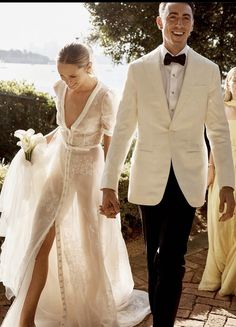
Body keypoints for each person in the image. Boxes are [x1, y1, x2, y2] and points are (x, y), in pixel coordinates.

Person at [100, 3, 235, 327]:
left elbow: (218, 130)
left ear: (191, 25)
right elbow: (123, 129)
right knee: (152, 258)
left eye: (185, 17)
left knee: (171, 259)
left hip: (189, 177)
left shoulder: (208, 69)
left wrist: (228, 183)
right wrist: (107, 182)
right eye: (172, 16)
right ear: (160, 21)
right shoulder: (137, 69)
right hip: (149, 174)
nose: (179, 23)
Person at [0, 42, 150, 327]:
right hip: (58, 170)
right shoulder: (60, 89)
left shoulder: (105, 96)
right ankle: (26, 320)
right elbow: (65, 130)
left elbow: (111, 147)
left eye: (73, 76)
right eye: (63, 75)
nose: (68, 82)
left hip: (88, 176)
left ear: (89, 66)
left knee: (87, 244)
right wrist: (37, 143)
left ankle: (90, 308)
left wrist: (109, 189)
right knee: (39, 241)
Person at [199, 67, 236, 295]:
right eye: (234, 80)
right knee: (220, 223)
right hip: (223, 169)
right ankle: (221, 270)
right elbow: (214, 142)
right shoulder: (221, 109)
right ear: (228, 84)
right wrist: (210, 170)